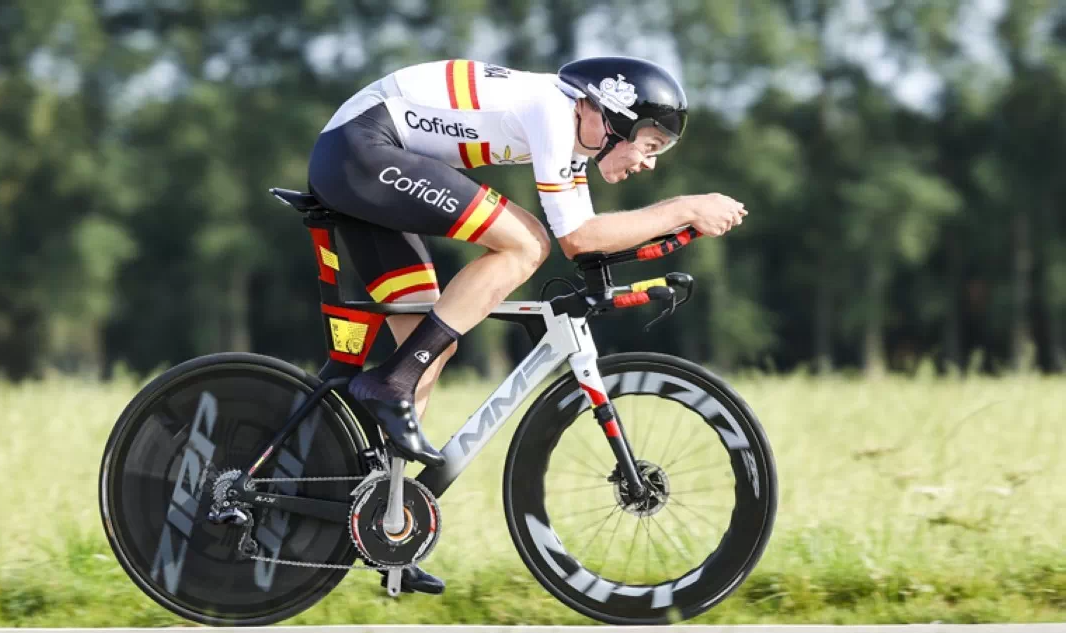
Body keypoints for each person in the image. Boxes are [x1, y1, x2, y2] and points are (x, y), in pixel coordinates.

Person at [307, 56, 747, 594]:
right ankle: (388, 384)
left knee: (427, 348)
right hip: (363, 149)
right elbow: (576, 239)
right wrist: (685, 207)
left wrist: (661, 242)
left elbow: (590, 240)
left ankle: (384, 526)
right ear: (613, 118)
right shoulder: (552, 112)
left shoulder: (569, 134)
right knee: (526, 242)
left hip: (368, 158)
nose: (648, 163)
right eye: (649, 144)